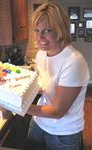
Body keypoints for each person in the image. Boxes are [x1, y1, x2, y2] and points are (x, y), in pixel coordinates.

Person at [23, 2, 90, 150]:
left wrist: (18, 106)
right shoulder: (41, 54)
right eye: (36, 30)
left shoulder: (73, 62)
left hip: (63, 132)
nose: (40, 38)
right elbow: (45, 85)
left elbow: (58, 111)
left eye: (47, 30)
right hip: (39, 122)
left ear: (61, 30)